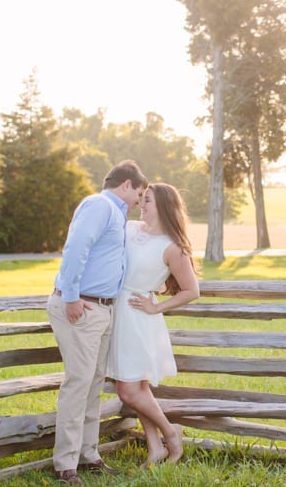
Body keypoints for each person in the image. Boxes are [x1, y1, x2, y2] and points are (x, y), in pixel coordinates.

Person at [48, 160, 148, 485]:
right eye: (139, 193)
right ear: (126, 185)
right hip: (82, 306)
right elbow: (76, 248)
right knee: (78, 383)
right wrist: (72, 295)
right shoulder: (99, 205)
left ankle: (88, 455)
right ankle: (65, 465)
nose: (139, 200)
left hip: (102, 308)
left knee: (92, 384)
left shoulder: (117, 215)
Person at [106, 182, 200, 466]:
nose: (141, 204)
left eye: (147, 200)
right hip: (117, 310)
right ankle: (155, 447)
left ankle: (170, 434)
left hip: (138, 317)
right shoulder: (130, 229)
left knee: (128, 390)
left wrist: (157, 306)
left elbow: (191, 290)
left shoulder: (173, 247)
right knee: (139, 387)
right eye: (142, 199)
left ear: (163, 206)